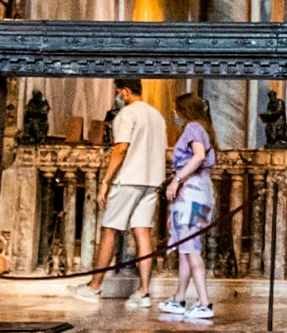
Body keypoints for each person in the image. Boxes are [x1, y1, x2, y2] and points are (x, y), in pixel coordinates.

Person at [72, 78, 167, 307]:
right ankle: (144, 291)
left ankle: (94, 286)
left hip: (129, 179)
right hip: (152, 179)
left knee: (110, 229)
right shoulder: (157, 116)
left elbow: (121, 148)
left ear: (125, 92)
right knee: (142, 232)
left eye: (118, 92)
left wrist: (106, 180)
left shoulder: (127, 114)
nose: (117, 96)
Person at [159, 93, 217, 320]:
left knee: (191, 249)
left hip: (191, 193)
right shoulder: (204, 128)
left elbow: (198, 156)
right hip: (200, 192)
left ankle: (204, 302)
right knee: (185, 248)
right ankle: (179, 298)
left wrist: (177, 179)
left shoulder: (193, 127)